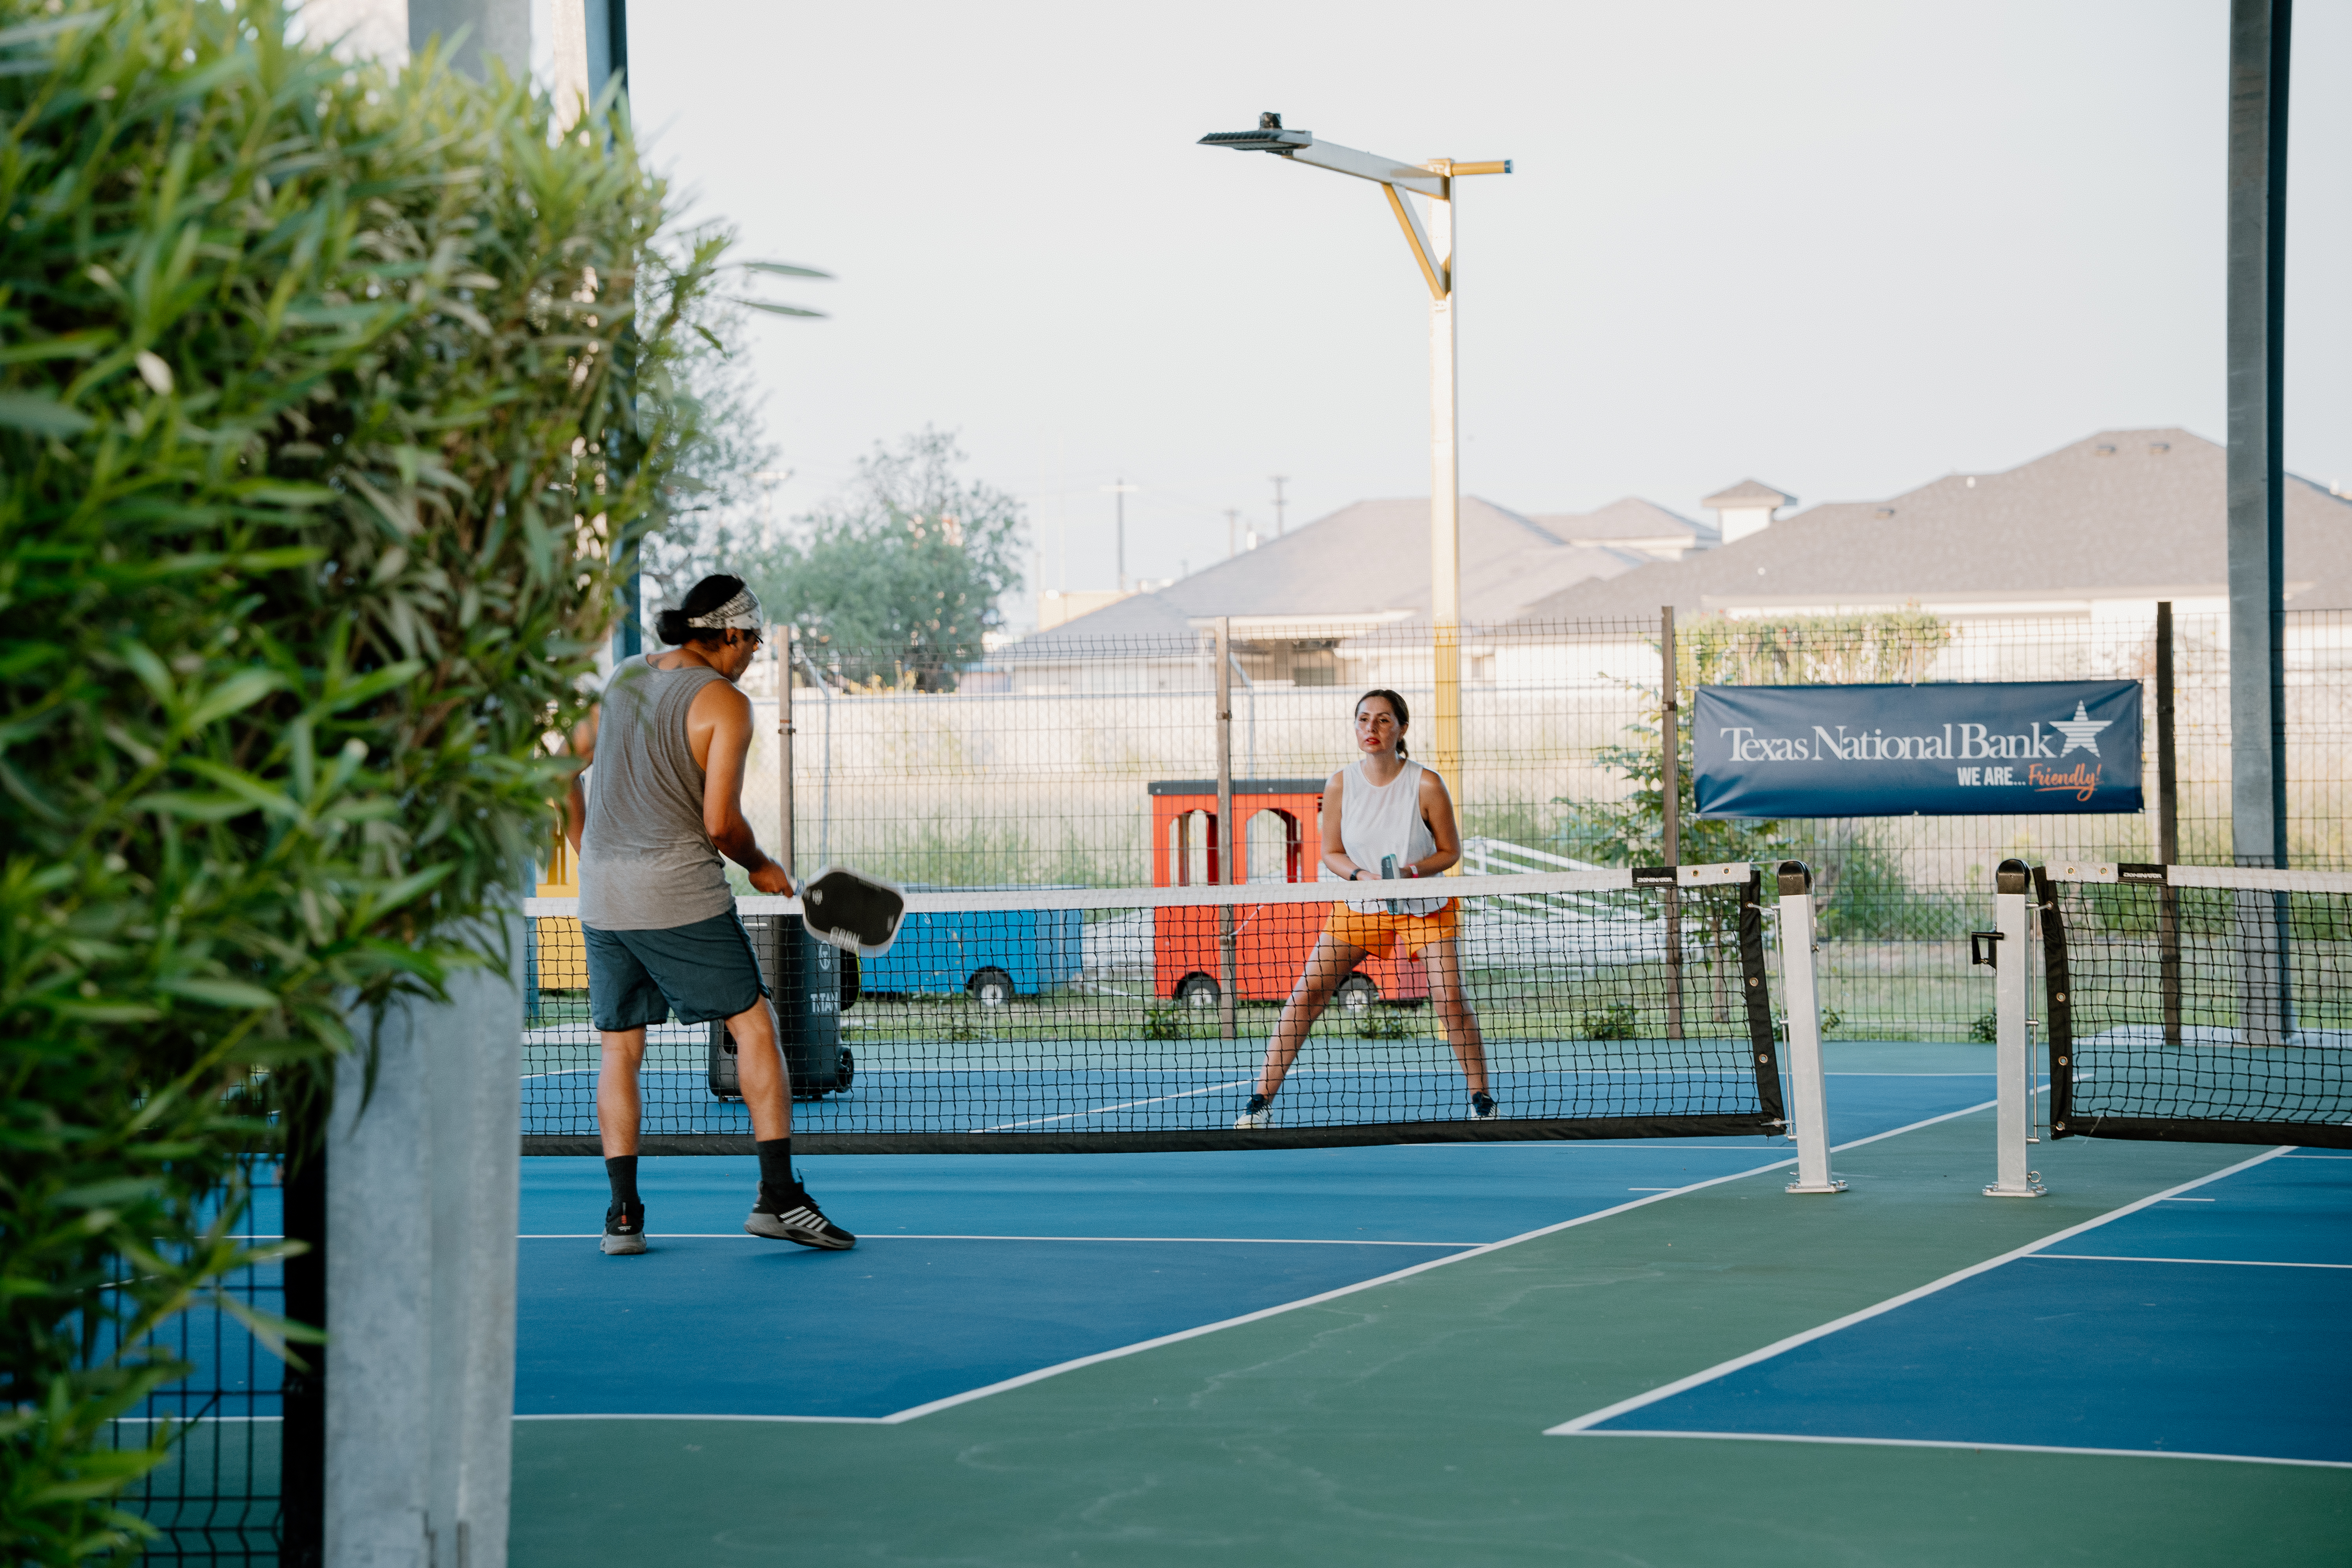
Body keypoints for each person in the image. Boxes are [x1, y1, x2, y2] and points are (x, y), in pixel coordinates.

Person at [564, 574, 856, 1255]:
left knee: (620, 1049)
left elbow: (555, 771)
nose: (753, 655)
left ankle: (623, 1217)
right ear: (728, 633)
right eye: (752, 642)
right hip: (677, 894)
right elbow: (721, 825)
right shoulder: (724, 703)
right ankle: (779, 1198)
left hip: (604, 899)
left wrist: (593, 852)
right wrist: (759, 864)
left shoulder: (625, 678)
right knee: (756, 1026)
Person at [1235, 688, 1493, 1128]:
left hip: (1425, 904)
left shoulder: (1426, 783)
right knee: (1307, 995)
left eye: (1383, 721)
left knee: (1450, 999)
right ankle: (1259, 1103)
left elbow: (1449, 851)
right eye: (1363, 720)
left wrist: (1411, 873)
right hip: (1361, 903)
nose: (1371, 729)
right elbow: (1331, 852)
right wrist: (1360, 877)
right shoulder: (1340, 783)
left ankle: (1483, 1101)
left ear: (1402, 729)